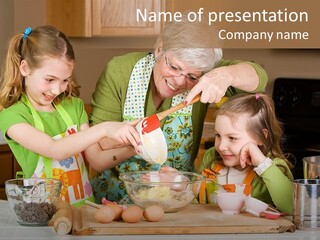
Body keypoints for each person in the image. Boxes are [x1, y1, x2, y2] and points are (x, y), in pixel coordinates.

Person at [89, 15, 268, 204]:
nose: (179, 82)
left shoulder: (205, 75)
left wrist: (225, 75)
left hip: (178, 200)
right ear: (159, 49)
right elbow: (100, 142)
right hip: (114, 198)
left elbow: (260, 78)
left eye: (191, 76)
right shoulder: (120, 71)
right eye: (173, 67)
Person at [0, 26, 141, 206]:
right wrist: (105, 129)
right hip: (45, 215)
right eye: (50, 80)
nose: (57, 89)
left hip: (83, 210)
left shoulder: (73, 106)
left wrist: (135, 147)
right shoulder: (12, 116)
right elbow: (55, 150)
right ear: (25, 68)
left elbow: (96, 160)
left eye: (65, 80)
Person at [198, 93, 294, 214]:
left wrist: (261, 162)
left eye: (232, 138)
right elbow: (194, 198)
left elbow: (291, 207)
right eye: (218, 135)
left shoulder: (274, 168)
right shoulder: (211, 157)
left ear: (260, 137)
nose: (221, 147)